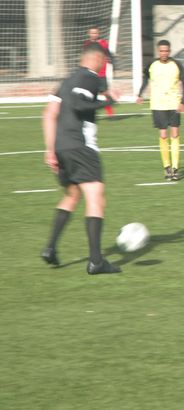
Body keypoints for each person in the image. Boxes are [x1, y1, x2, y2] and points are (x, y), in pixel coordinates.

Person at [40, 41, 122, 275]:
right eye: (104, 62)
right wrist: (109, 101)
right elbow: (78, 103)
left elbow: (48, 114)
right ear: (96, 59)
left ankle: (50, 247)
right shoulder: (90, 77)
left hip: (61, 147)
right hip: (81, 147)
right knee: (96, 196)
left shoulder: (66, 81)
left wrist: (50, 149)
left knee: (73, 194)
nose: (104, 66)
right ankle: (96, 261)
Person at [136, 40, 184, 181]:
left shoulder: (176, 65)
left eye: (166, 51)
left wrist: (183, 101)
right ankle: (167, 167)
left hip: (173, 104)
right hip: (158, 104)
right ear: (158, 51)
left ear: (169, 51)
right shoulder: (152, 65)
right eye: (161, 51)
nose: (164, 53)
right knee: (163, 135)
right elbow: (146, 78)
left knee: (175, 134)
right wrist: (140, 94)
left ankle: (176, 168)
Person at [82, 26, 115, 117]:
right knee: (91, 93)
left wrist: (112, 63)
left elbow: (109, 55)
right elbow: (85, 57)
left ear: (98, 34)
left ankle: (110, 111)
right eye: (92, 33)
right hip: (90, 73)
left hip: (101, 73)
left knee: (104, 92)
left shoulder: (103, 43)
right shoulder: (86, 44)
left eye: (95, 33)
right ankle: (91, 113)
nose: (94, 35)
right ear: (89, 34)